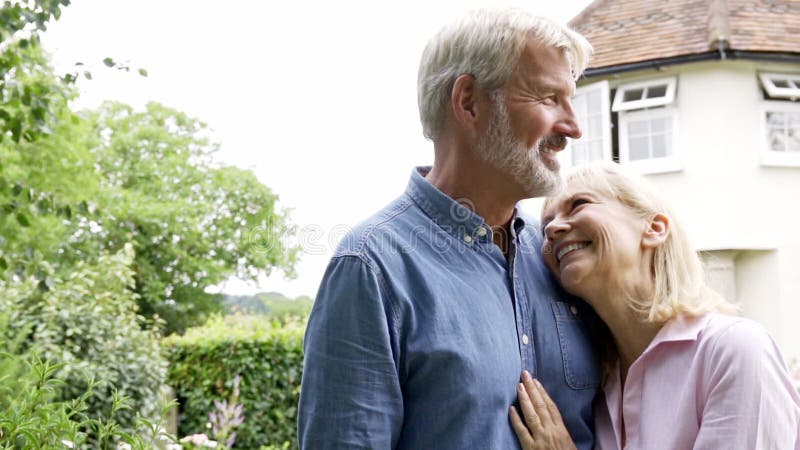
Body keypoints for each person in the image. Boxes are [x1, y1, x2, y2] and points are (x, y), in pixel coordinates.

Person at [298, 8, 599, 449]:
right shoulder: (371, 268)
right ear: (469, 102)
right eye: (549, 98)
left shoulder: (556, 253)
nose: (573, 127)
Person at [510, 162, 800, 449]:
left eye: (579, 204)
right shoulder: (596, 380)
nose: (553, 229)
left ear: (654, 228)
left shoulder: (735, 350)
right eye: (546, 224)